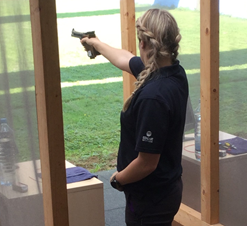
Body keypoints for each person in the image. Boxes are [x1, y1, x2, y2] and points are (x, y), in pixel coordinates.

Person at [81, 8, 188, 226]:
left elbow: (146, 163)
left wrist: (117, 179)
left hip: (150, 198)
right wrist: (96, 44)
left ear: (143, 43)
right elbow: (126, 59)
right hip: (163, 190)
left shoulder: (153, 97)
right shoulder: (173, 72)